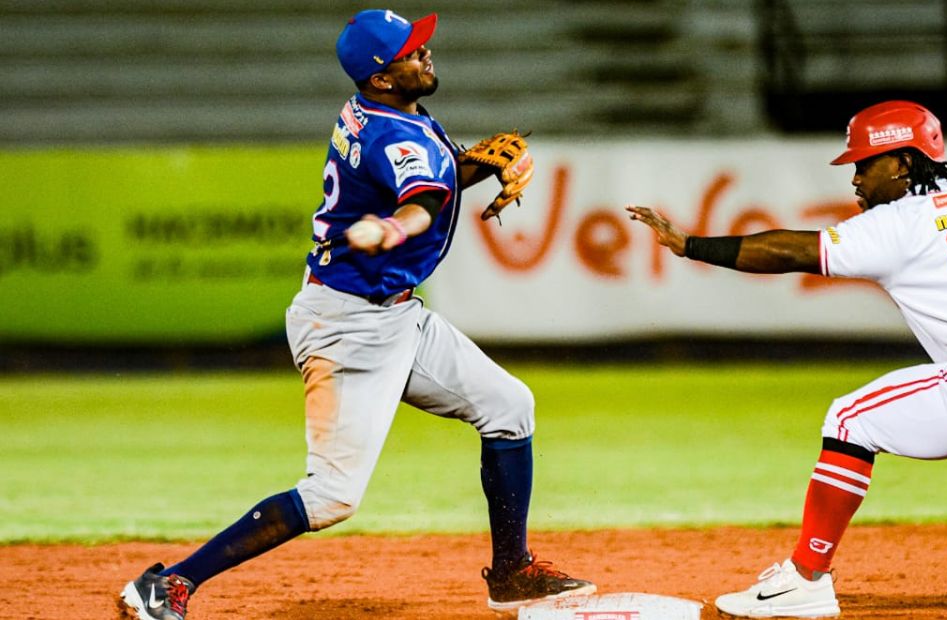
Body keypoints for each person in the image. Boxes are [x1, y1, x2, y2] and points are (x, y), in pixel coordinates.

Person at [118, 10, 594, 620]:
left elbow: (436, 179)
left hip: (393, 315)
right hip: (346, 326)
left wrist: (482, 164)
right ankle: (168, 586)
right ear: (381, 78)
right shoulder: (395, 136)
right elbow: (421, 203)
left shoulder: (385, 111)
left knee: (509, 407)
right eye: (410, 52)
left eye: (421, 43)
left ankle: (512, 573)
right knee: (332, 497)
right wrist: (397, 224)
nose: (425, 53)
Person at [627, 100, 947, 619]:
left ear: (904, 162)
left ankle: (807, 578)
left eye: (865, 163)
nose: (855, 178)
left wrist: (691, 245)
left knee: (849, 419)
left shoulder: (900, 221)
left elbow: (792, 252)